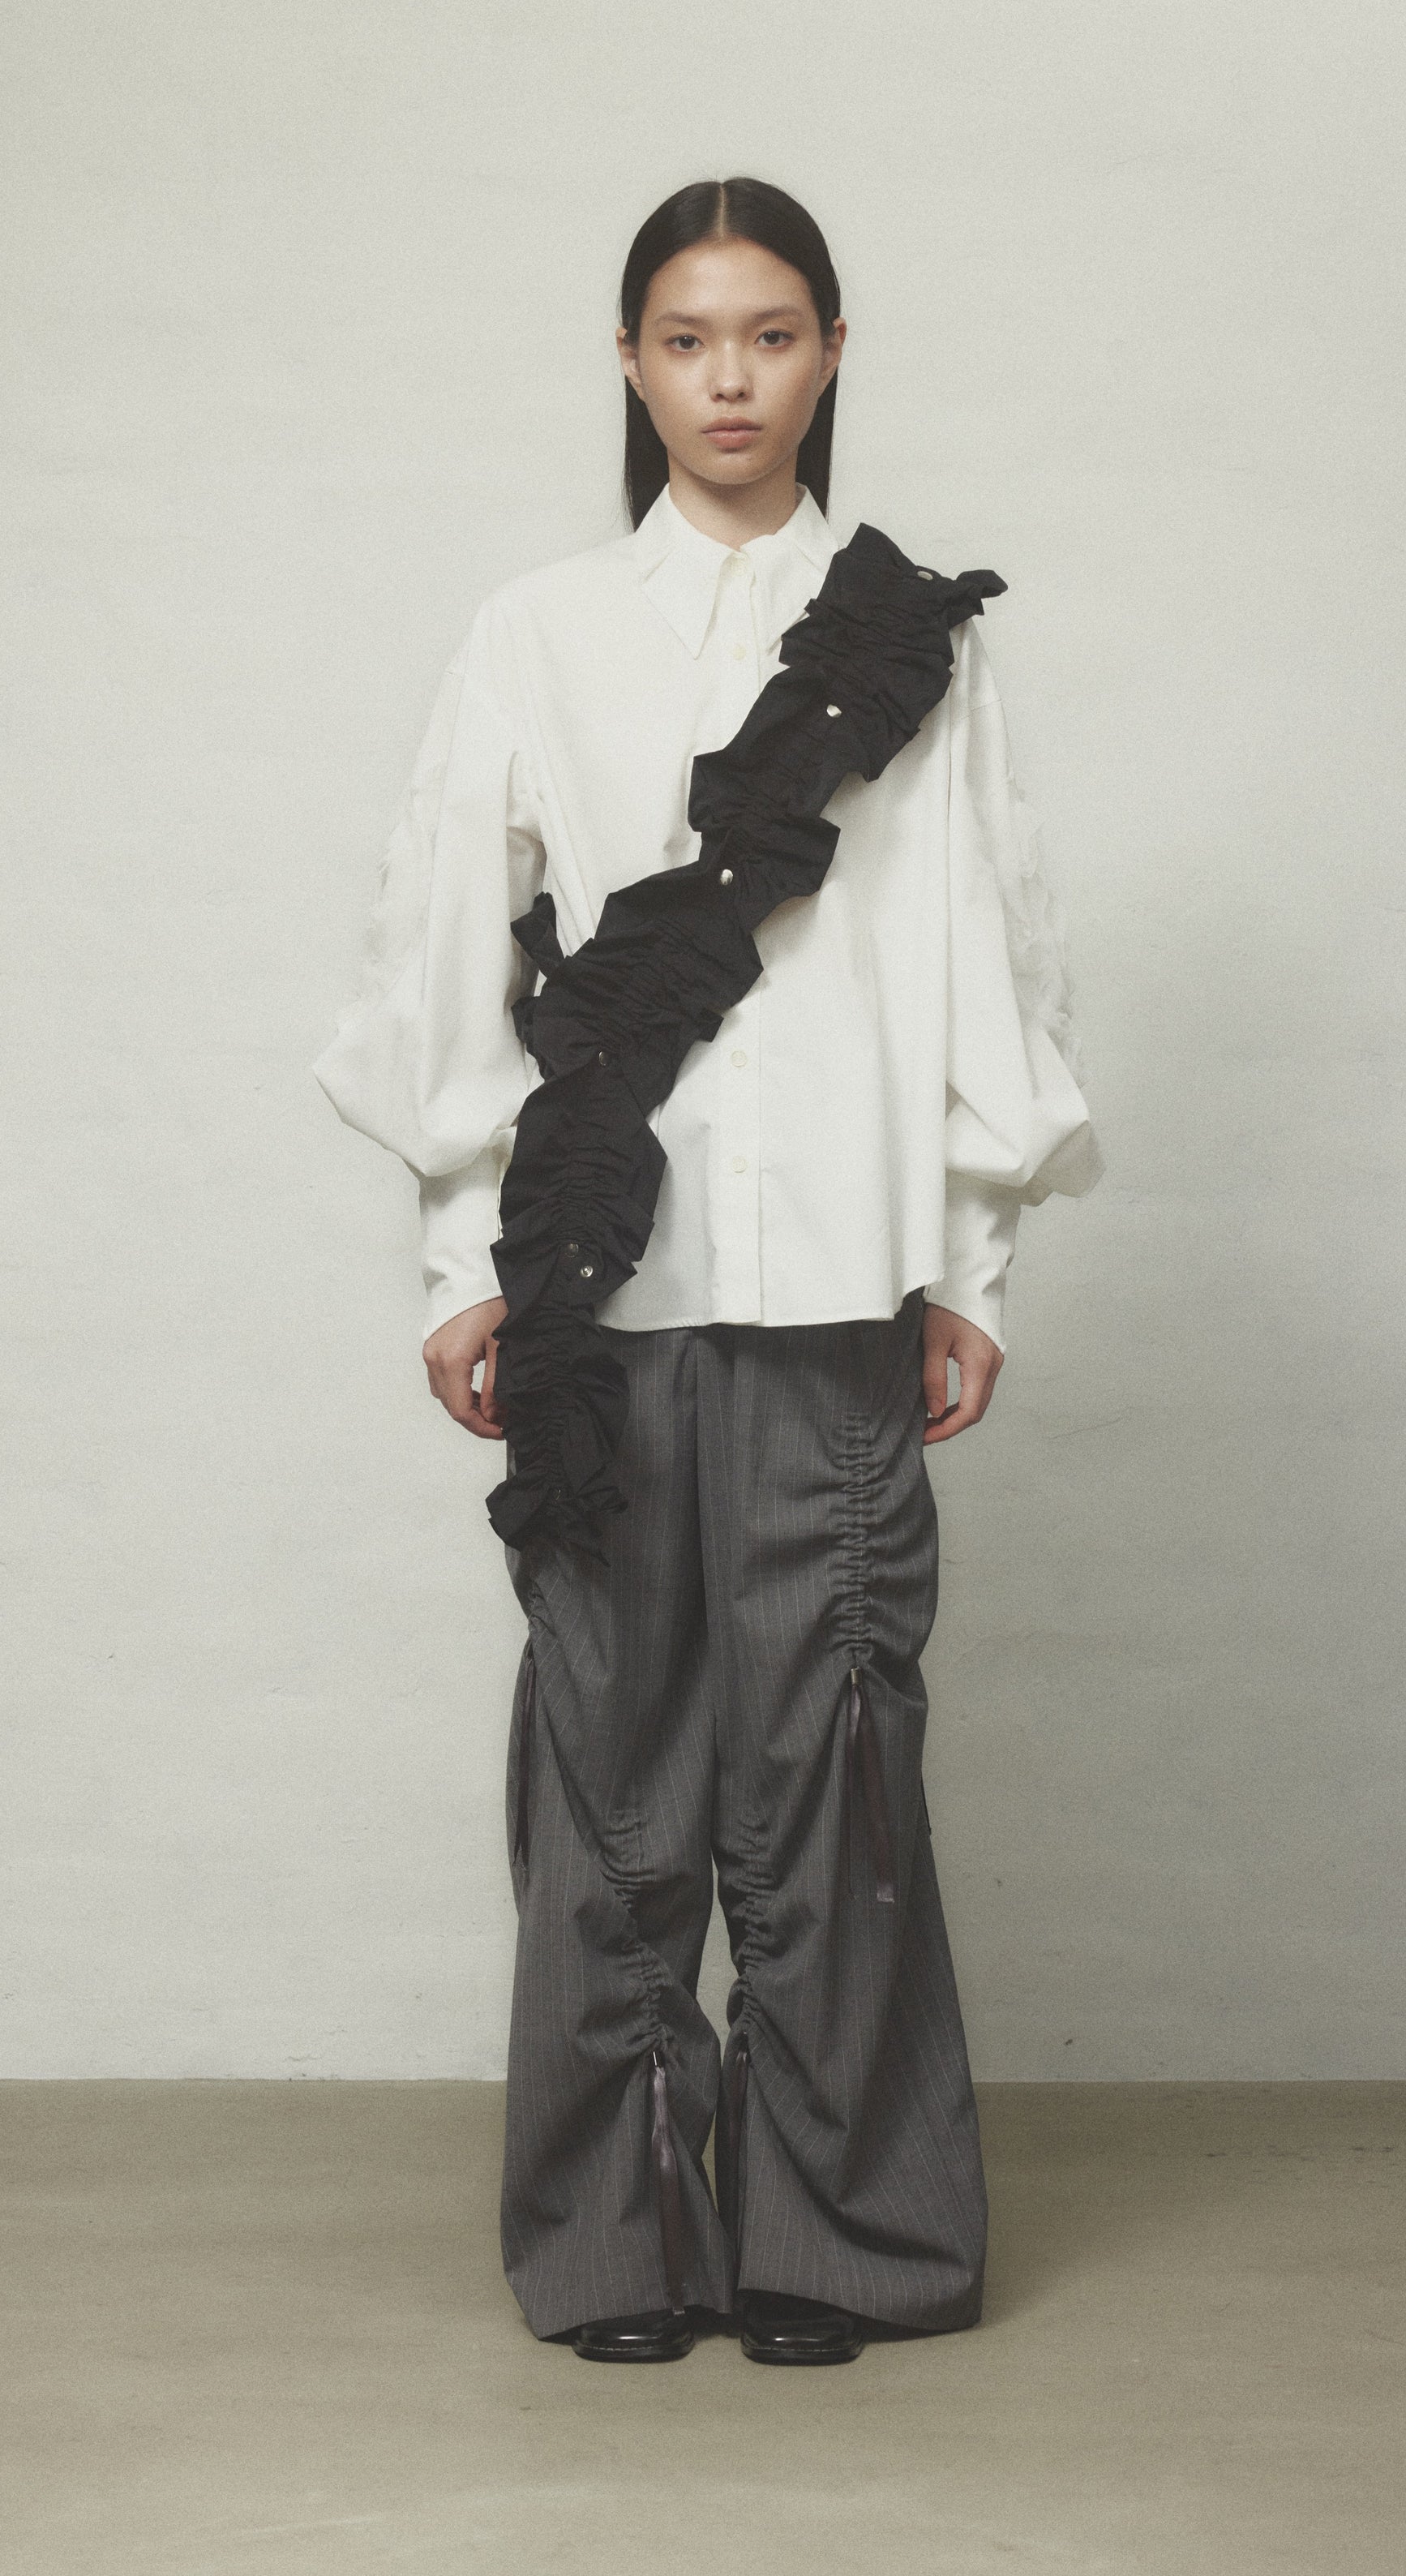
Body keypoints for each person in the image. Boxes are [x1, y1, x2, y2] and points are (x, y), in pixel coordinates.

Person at [315, 177, 1102, 2366]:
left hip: (844, 1279)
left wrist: (973, 1263)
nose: (730, 378)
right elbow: (446, 957)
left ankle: (832, 2243)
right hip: (601, 1293)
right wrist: (458, 1257)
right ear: (632, 363)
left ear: (831, 353)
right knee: (612, 1768)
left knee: (832, 1759)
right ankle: (618, 2245)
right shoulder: (535, 634)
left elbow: (989, 947)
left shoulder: (912, 643)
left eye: (770, 334)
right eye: (686, 337)